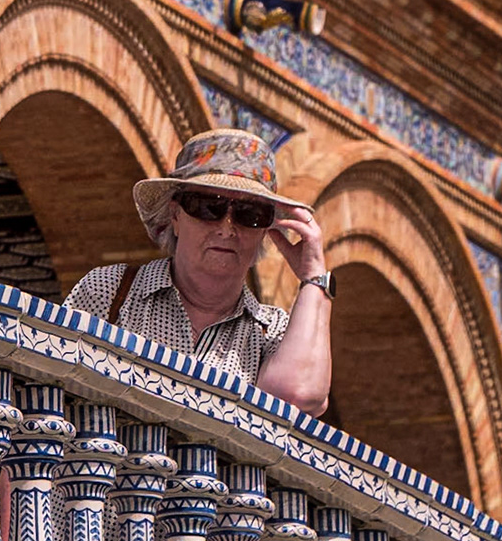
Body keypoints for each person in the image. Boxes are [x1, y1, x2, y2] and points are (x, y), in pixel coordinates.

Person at [66, 128, 333, 415]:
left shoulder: (272, 331)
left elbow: (298, 394)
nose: (227, 229)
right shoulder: (111, 290)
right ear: (175, 216)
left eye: (250, 214)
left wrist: (314, 280)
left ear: (266, 230)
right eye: (208, 207)